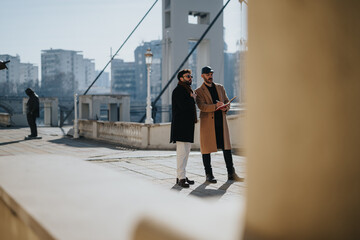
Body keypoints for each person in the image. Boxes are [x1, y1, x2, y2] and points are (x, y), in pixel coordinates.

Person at [195, 66, 241, 183]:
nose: (210, 76)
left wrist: (225, 107)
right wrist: (216, 106)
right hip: (208, 123)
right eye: (207, 74)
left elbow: (226, 101)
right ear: (202, 76)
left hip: (221, 121)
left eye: (211, 74)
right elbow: (202, 106)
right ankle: (209, 175)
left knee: (227, 148)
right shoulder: (199, 91)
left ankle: (231, 173)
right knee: (206, 149)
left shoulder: (220, 87)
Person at [170, 69, 197, 188]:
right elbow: (183, 107)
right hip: (181, 127)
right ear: (181, 78)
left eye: (191, 76)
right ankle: (181, 178)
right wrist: (192, 99)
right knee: (182, 153)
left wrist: (192, 97)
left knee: (186, 153)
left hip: (187, 126)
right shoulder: (179, 90)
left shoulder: (187, 90)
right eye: (188, 76)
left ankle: (181, 176)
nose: (190, 78)